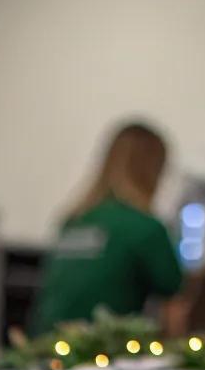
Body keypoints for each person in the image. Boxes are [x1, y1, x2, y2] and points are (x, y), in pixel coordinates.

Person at [31, 121, 184, 335]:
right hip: (101, 353)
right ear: (154, 169)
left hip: (44, 347)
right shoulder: (146, 228)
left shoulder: (72, 221)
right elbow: (175, 299)